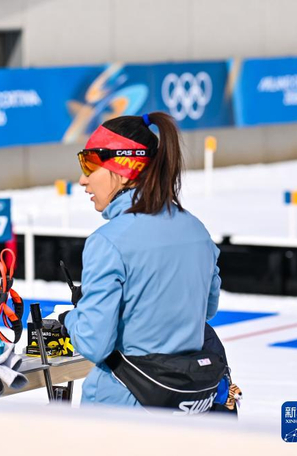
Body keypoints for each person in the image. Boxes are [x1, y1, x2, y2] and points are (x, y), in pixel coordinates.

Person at [60, 112, 223, 410]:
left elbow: (94, 344)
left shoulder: (108, 241)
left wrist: (71, 318)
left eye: (89, 164)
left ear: (124, 172)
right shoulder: (197, 231)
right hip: (185, 404)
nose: (83, 179)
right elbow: (207, 309)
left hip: (120, 406)